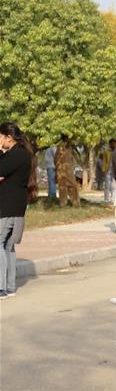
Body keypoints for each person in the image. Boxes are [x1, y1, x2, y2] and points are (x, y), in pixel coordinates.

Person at [0, 122, 37, 298]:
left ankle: (2, 287)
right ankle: (9, 286)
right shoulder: (22, 154)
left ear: (9, 137)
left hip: (8, 206)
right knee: (8, 246)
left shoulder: (16, 155)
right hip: (16, 206)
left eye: (0, 137)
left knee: (1, 244)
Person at [54, 135, 80, 208]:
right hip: (61, 170)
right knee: (62, 187)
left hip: (69, 170)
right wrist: (57, 169)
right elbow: (56, 159)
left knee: (73, 185)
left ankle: (75, 202)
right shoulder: (60, 148)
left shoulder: (70, 148)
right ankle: (63, 203)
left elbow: (71, 159)